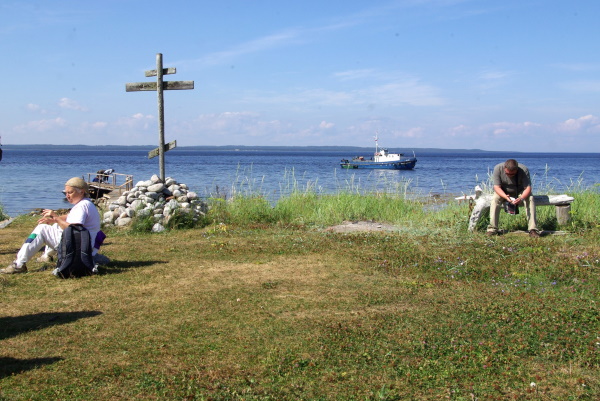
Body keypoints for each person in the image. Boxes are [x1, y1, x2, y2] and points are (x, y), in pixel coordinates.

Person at [1, 177, 102, 274]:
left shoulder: (82, 206)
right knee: (55, 227)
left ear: (82, 191)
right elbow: (70, 217)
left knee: (42, 229)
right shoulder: (86, 203)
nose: (67, 196)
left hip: (79, 249)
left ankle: (19, 264)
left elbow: (74, 230)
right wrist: (53, 220)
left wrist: (56, 217)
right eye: (66, 193)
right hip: (87, 246)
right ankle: (47, 256)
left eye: (70, 192)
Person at [487, 159, 540, 238]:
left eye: (513, 174)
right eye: (508, 174)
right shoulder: (498, 168)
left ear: (517, 169)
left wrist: (521, 198)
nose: (510, 176)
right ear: (504, 168)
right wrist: (505, 197)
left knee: (530, 199)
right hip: (503, 191)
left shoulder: (524, 169)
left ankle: (533, 229)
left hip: (520, 191)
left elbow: (528, 188)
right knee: (495, 199)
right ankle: (492, 229)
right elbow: (496, 187)